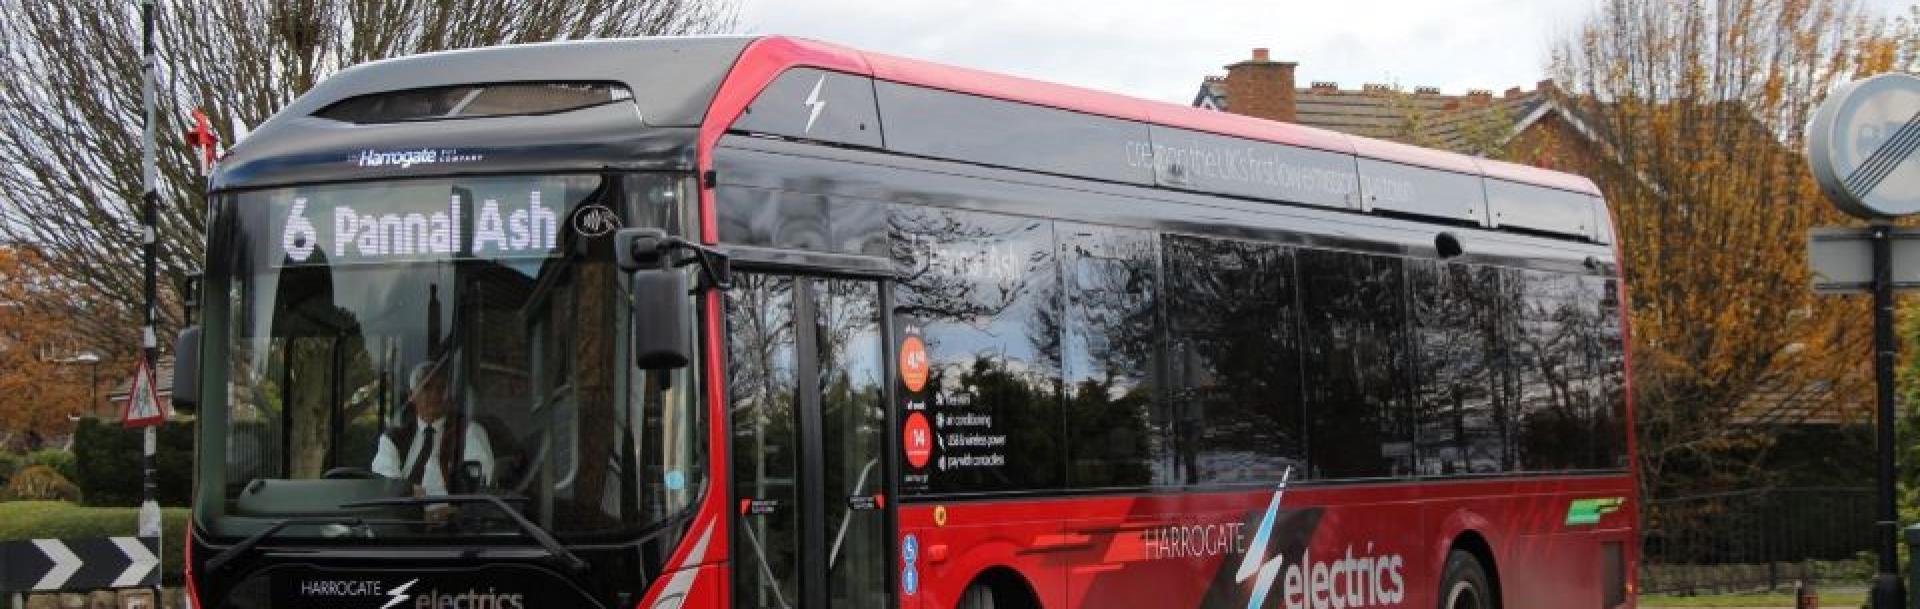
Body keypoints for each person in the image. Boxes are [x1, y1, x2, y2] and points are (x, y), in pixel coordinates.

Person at [372, 356, 494, 497]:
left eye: (441, 388)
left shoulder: (469, 432)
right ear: (411, 395)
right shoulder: (394, 438)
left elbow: (481, 483)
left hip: (453, 516)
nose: (435, 395)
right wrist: (409, 493)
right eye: (427, 387)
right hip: (402, 515)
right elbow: (384, 481)